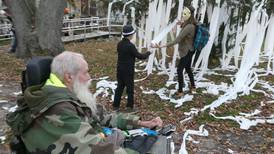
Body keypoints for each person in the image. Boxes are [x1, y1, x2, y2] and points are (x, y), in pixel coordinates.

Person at [7, 51, 162, 153]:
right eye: (86, 72)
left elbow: (100, 116)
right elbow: (92, 150)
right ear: (69, 77)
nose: (89, 78)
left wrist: (141, 123)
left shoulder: (64, 92)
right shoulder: (57, 109)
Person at [152, 7, 197, 97]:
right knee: (188, 68)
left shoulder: (189, 26)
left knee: (179, 70)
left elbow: (177, 40)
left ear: (189, 14)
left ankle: (180, 91)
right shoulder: (192, 23)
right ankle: (193, 86)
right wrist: (181, 23)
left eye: (184, 14)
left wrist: (161, 46)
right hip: (190, 50)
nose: (182, 16)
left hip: (186, 51)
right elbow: (187, 29)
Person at [113, 25, 151, 111]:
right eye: (133, 34)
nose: (133, 36)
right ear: (130, 35)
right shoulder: (130, 46)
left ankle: (115, 105)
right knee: (130, 89)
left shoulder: (119, 44)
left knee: (119, 87)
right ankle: (129, 107)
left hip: (119, 69)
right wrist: (149, 52)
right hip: (128, 71)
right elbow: (140, 56)